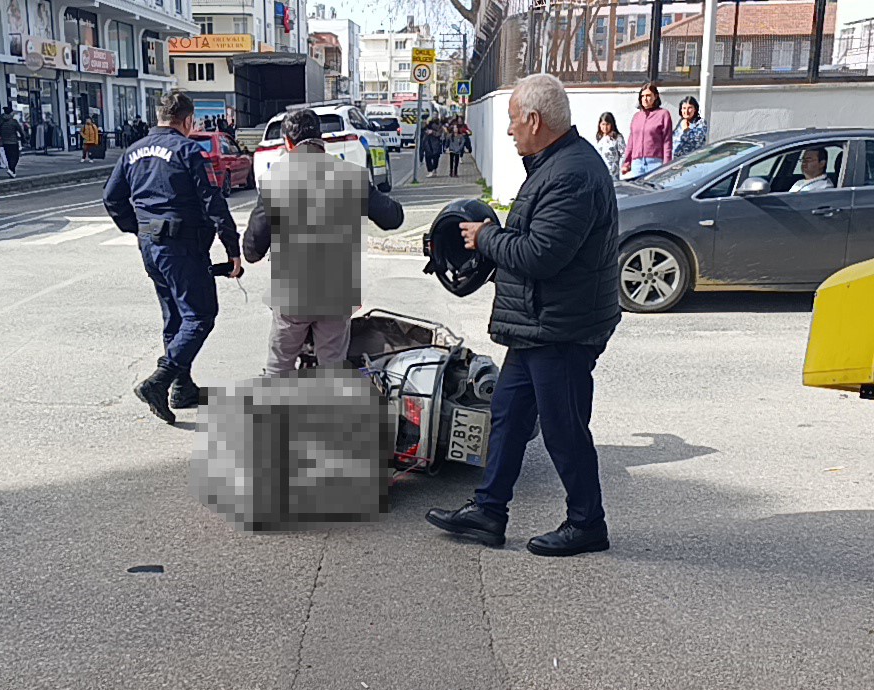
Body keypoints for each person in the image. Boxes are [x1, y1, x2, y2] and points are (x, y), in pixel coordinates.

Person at [425, 73, 621, 557]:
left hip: (562, 328)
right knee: (508, 417)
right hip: (539, 324)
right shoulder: (555, 164)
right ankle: (489, 512)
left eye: (514, 120)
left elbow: (541, 254)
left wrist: (485, 237)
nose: (510, 130)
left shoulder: (572, 172)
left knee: (563, 428)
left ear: (535, 120)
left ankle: (587, 524)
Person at [102, 90, 242, 424]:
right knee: (200, 315)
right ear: (188, 120)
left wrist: (136, 228)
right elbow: (213, 202)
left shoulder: (133, 151)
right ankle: (159, 381)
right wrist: (232, 249)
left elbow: (111, 198)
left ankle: (182, 387)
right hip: (182, 246)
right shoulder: (188, 150)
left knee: (175, 317)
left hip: (150, 245)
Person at [241, 109, 404, 375]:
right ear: (322, 140)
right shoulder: (351, 176)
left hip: (292, 293)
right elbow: (393, 218)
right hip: (336, 292)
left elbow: (254, 245)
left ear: (288, 143)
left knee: (279, 365)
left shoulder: (276, 179)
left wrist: (251, 251)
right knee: (332, 367)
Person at [621, 83, 671, 180]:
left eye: (648, 96)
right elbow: (631, 141)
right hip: (637, 163)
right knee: (637, 192)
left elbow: (667, 141)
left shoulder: (663, 114)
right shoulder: (637, 117)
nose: (645, 99)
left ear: (655, 97)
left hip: (655, 162)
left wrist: (667, 164)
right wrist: (626, 162)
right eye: (642, 96)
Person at [672, 95, 708, 160]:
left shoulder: (700, 123)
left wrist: (687, 129)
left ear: (695, 109)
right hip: (675, 161)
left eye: (689, 108)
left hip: (691, 161)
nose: (686, 111)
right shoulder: (681, 122)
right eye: (684, 108)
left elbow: (697, 141)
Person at [0, 107, 23, 177]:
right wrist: (23, 138)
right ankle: (11, 169)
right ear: (10, 113)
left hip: (4, 142)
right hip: (13, 141)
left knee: (9, 157)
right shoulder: (13, 121)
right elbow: (20, 130)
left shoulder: (0, 121)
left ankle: (12, 171)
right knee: (15, 157)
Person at [594, 111, 625, 177]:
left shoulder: (617, 137)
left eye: (607, 124)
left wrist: (622, 167)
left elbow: (624, 154)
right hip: (601, 172)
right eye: (603, 124)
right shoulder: (600, 138)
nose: (605, 127)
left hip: (613, 172)